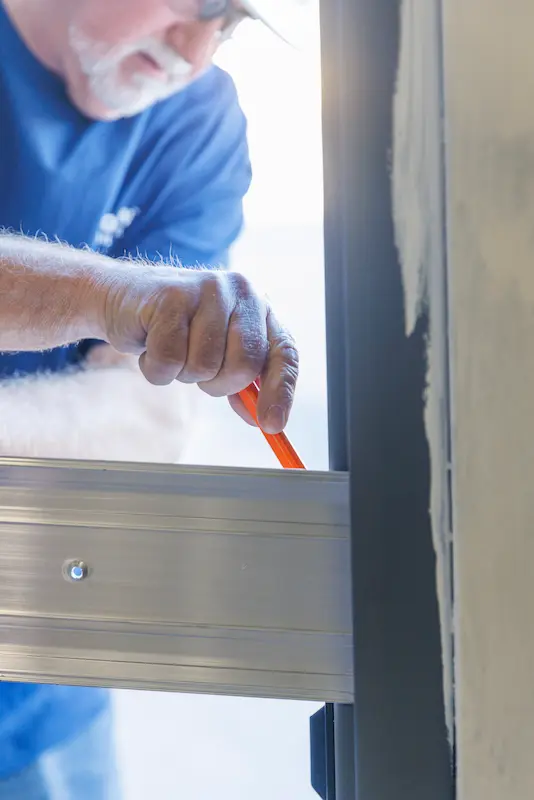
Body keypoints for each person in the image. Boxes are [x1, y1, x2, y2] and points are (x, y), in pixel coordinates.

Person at [0, 1, 300, 796]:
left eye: (229, 22)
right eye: (192, 4)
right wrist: (109, 293)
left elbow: (142, 419)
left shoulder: (198, 122)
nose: (196, 51)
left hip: (37, 694)